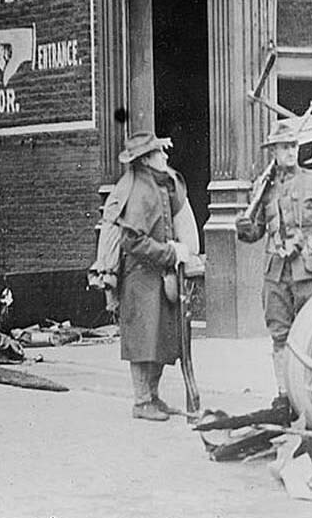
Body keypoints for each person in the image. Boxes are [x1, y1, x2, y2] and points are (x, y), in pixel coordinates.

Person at [235, 125, 312, 413]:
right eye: (284, 147)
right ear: (274, 152)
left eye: (293, 145)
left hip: (308, 272)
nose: (291, 151)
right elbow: (256, 232)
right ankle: (284, 395)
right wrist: (243, 229)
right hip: (276, 274)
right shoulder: (264, 189)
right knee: (280, 335)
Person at [99, 131, 198, 422]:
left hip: (157, 275)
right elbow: (133, 242)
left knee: (161, 337)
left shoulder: (156, 184)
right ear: (146, 160)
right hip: (141, 277)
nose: (165, 156)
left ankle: (153, 397)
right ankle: (142, 402)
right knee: (143, 339)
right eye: (158, 152)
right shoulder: (139, 190)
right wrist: (170, 252)